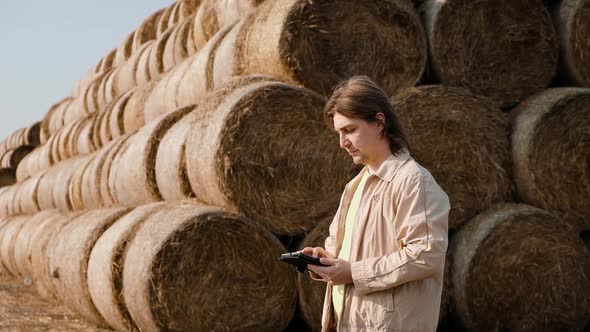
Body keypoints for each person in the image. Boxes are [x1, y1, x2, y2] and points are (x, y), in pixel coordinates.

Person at [301, 76, 450, 332]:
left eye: (350, 130)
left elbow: (426, 255)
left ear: (379, 122)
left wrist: (353, 273)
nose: (342, 142)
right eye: (339, 133)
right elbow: (345, 249)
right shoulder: (356, 185)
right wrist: (325, 260)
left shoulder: (413, 181)